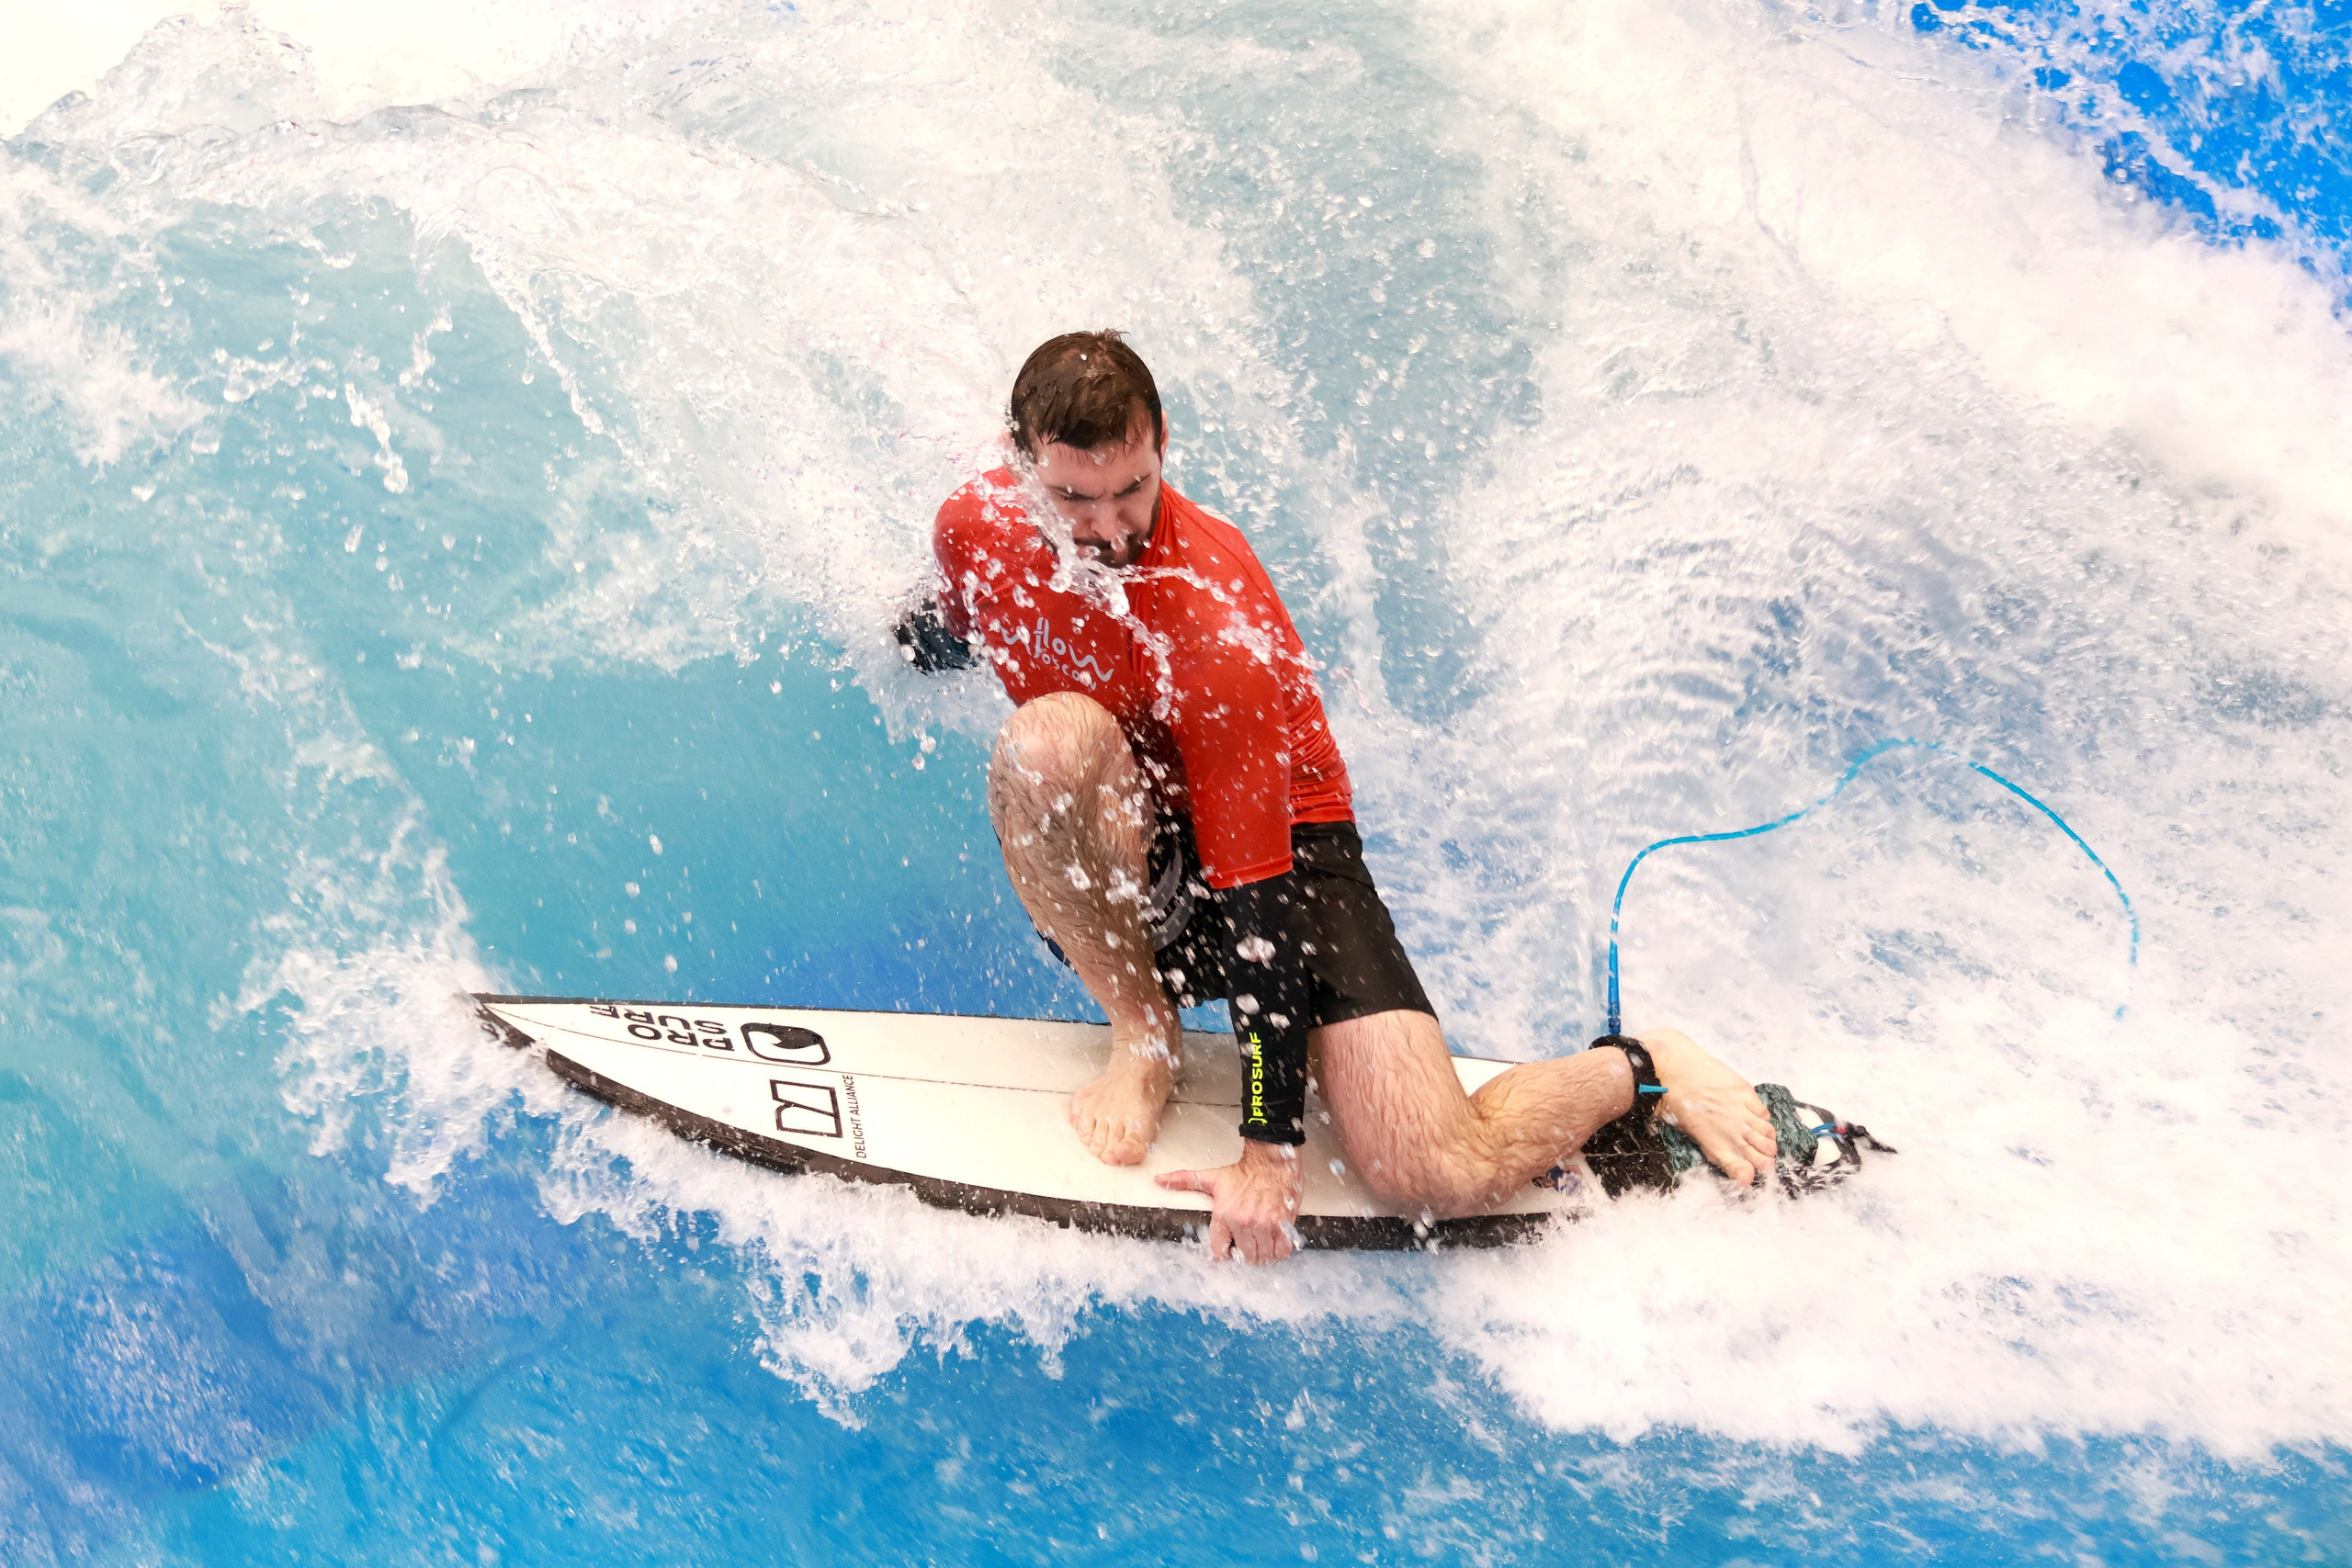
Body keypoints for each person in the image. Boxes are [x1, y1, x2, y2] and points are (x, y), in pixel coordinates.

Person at [899, 331, 1781, 1264]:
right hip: (1138, 841)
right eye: (1075, 499)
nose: (1110, 529)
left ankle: (1643, 1065)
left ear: (1162, 442)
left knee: (1428, 1169)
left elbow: (1260, 904)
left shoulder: (1213, 622)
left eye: (1133, 491)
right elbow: (961, 614)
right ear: (1020, 465)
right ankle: (1143, 1036)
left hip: (1285, 860)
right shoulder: (974, 528)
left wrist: (1267, 1147)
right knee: (1045, 747)